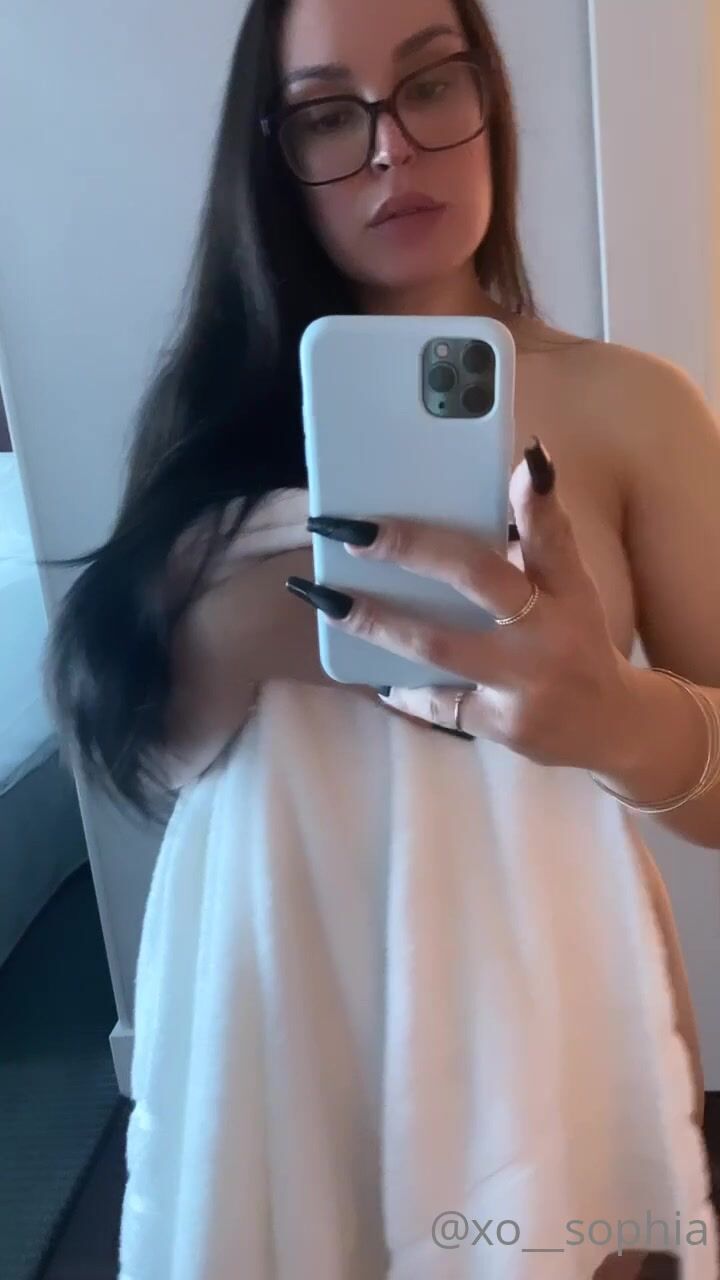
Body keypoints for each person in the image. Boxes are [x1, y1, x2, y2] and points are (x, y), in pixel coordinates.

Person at [47, 0, 720, 1274]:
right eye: (324, 116)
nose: (390, 149)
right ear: (272, 155)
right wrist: (268, 613)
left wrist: (617, 717)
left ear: (488, 98)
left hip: (538, 1003)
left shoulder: (633, 407)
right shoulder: (209, 419)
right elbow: (141, 751)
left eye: (429, 85)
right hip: (274, 1004)